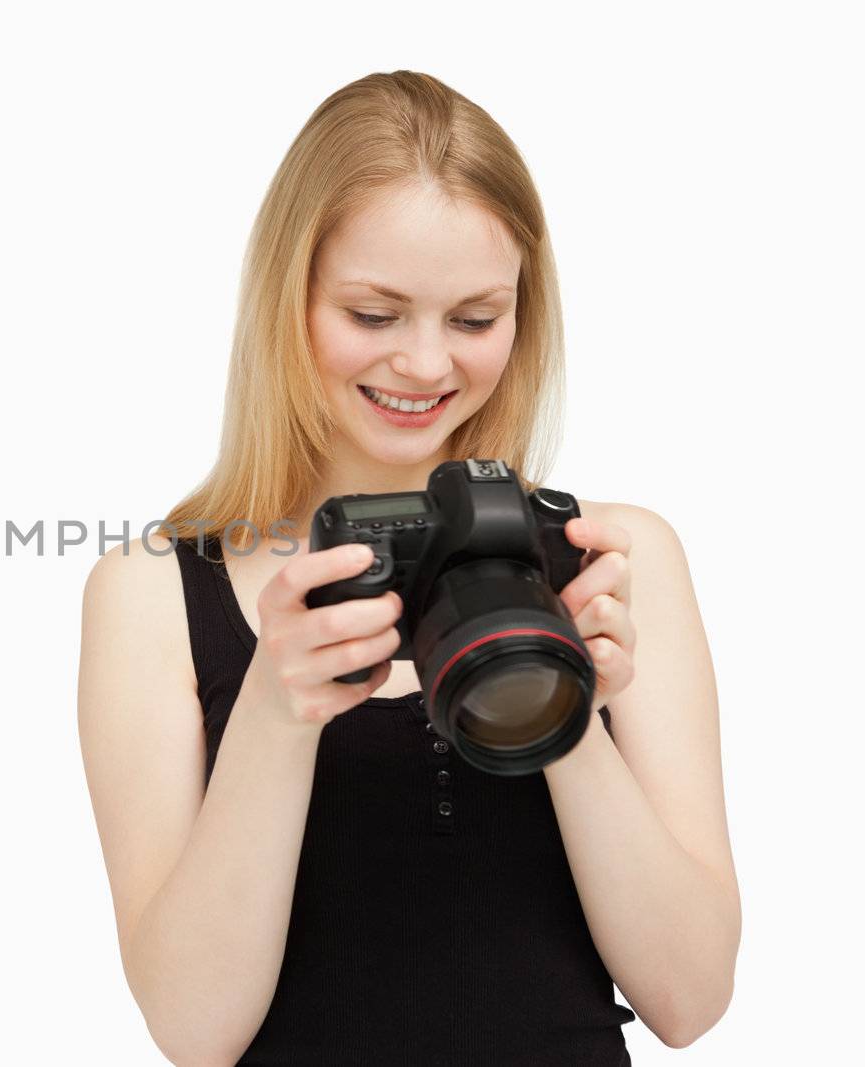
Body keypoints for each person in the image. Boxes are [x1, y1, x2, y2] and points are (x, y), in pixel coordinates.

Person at [76, 71, 739, 1065]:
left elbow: (689, 998)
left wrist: (554, 701)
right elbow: (193, 1027)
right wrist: (273, 707)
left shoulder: (613, 556)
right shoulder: (152, 594)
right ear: (287, 299)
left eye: (474, 319)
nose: (426, 366)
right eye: (374, 314)